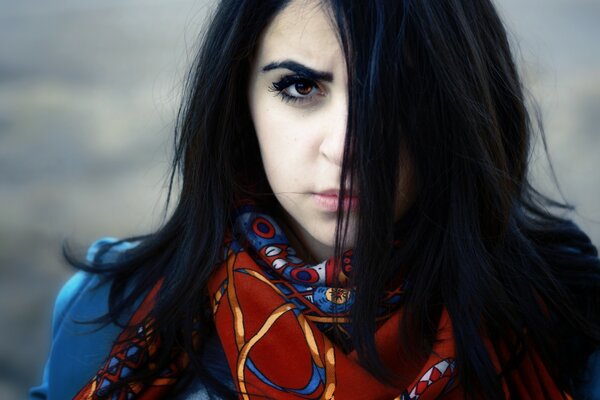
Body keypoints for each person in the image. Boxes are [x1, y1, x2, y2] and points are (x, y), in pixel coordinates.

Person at [31, 0, 600, 399]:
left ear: (462, 108)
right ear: (239, 100)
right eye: (301, 87)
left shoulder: (572, 315)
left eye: (397, 95)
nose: (349, 150)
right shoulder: (107, 311)